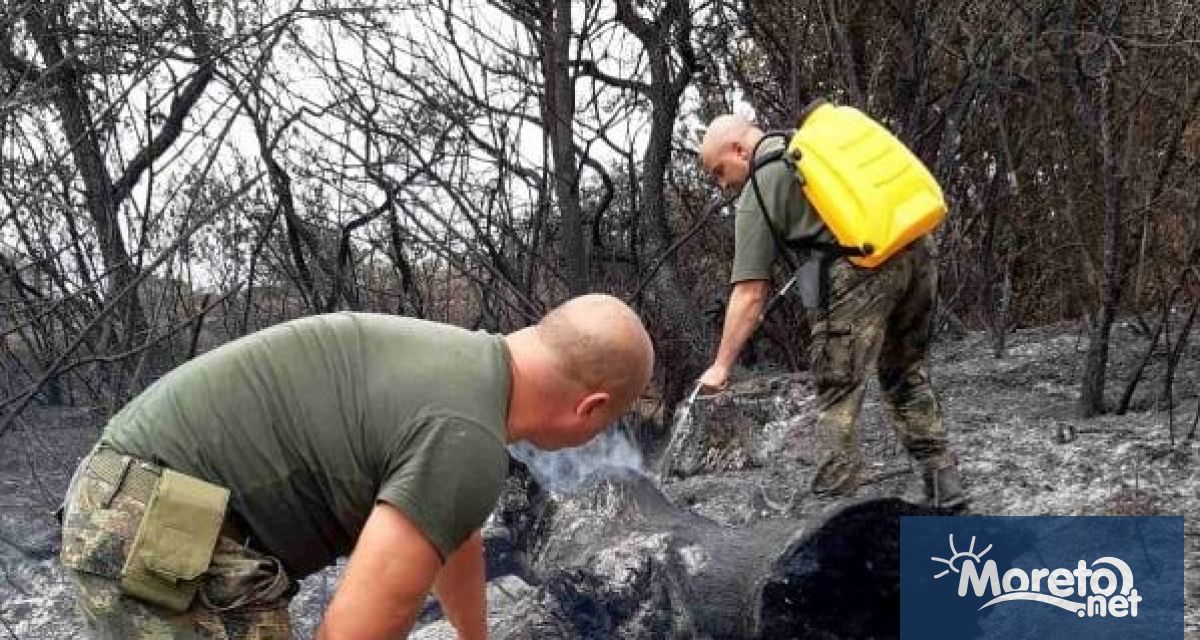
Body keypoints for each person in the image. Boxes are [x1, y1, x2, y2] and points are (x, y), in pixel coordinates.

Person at [59, 294, 654, 639]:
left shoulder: (463, 370)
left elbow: (456, 537)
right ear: (590, 407)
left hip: (127, 498)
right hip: (155, 528)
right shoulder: (465, 435)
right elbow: (361, 625)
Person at [696, 113, 966, 510]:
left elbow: (750, 293)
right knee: (905, 373)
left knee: (836, 390)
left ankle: (833, 506)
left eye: (720, 171)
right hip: (917, 249)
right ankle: (945, 485)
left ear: (739, 150)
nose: (723, 184)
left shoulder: (763, 183)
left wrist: (720, 366)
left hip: (858, 271)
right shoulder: (817, 148)